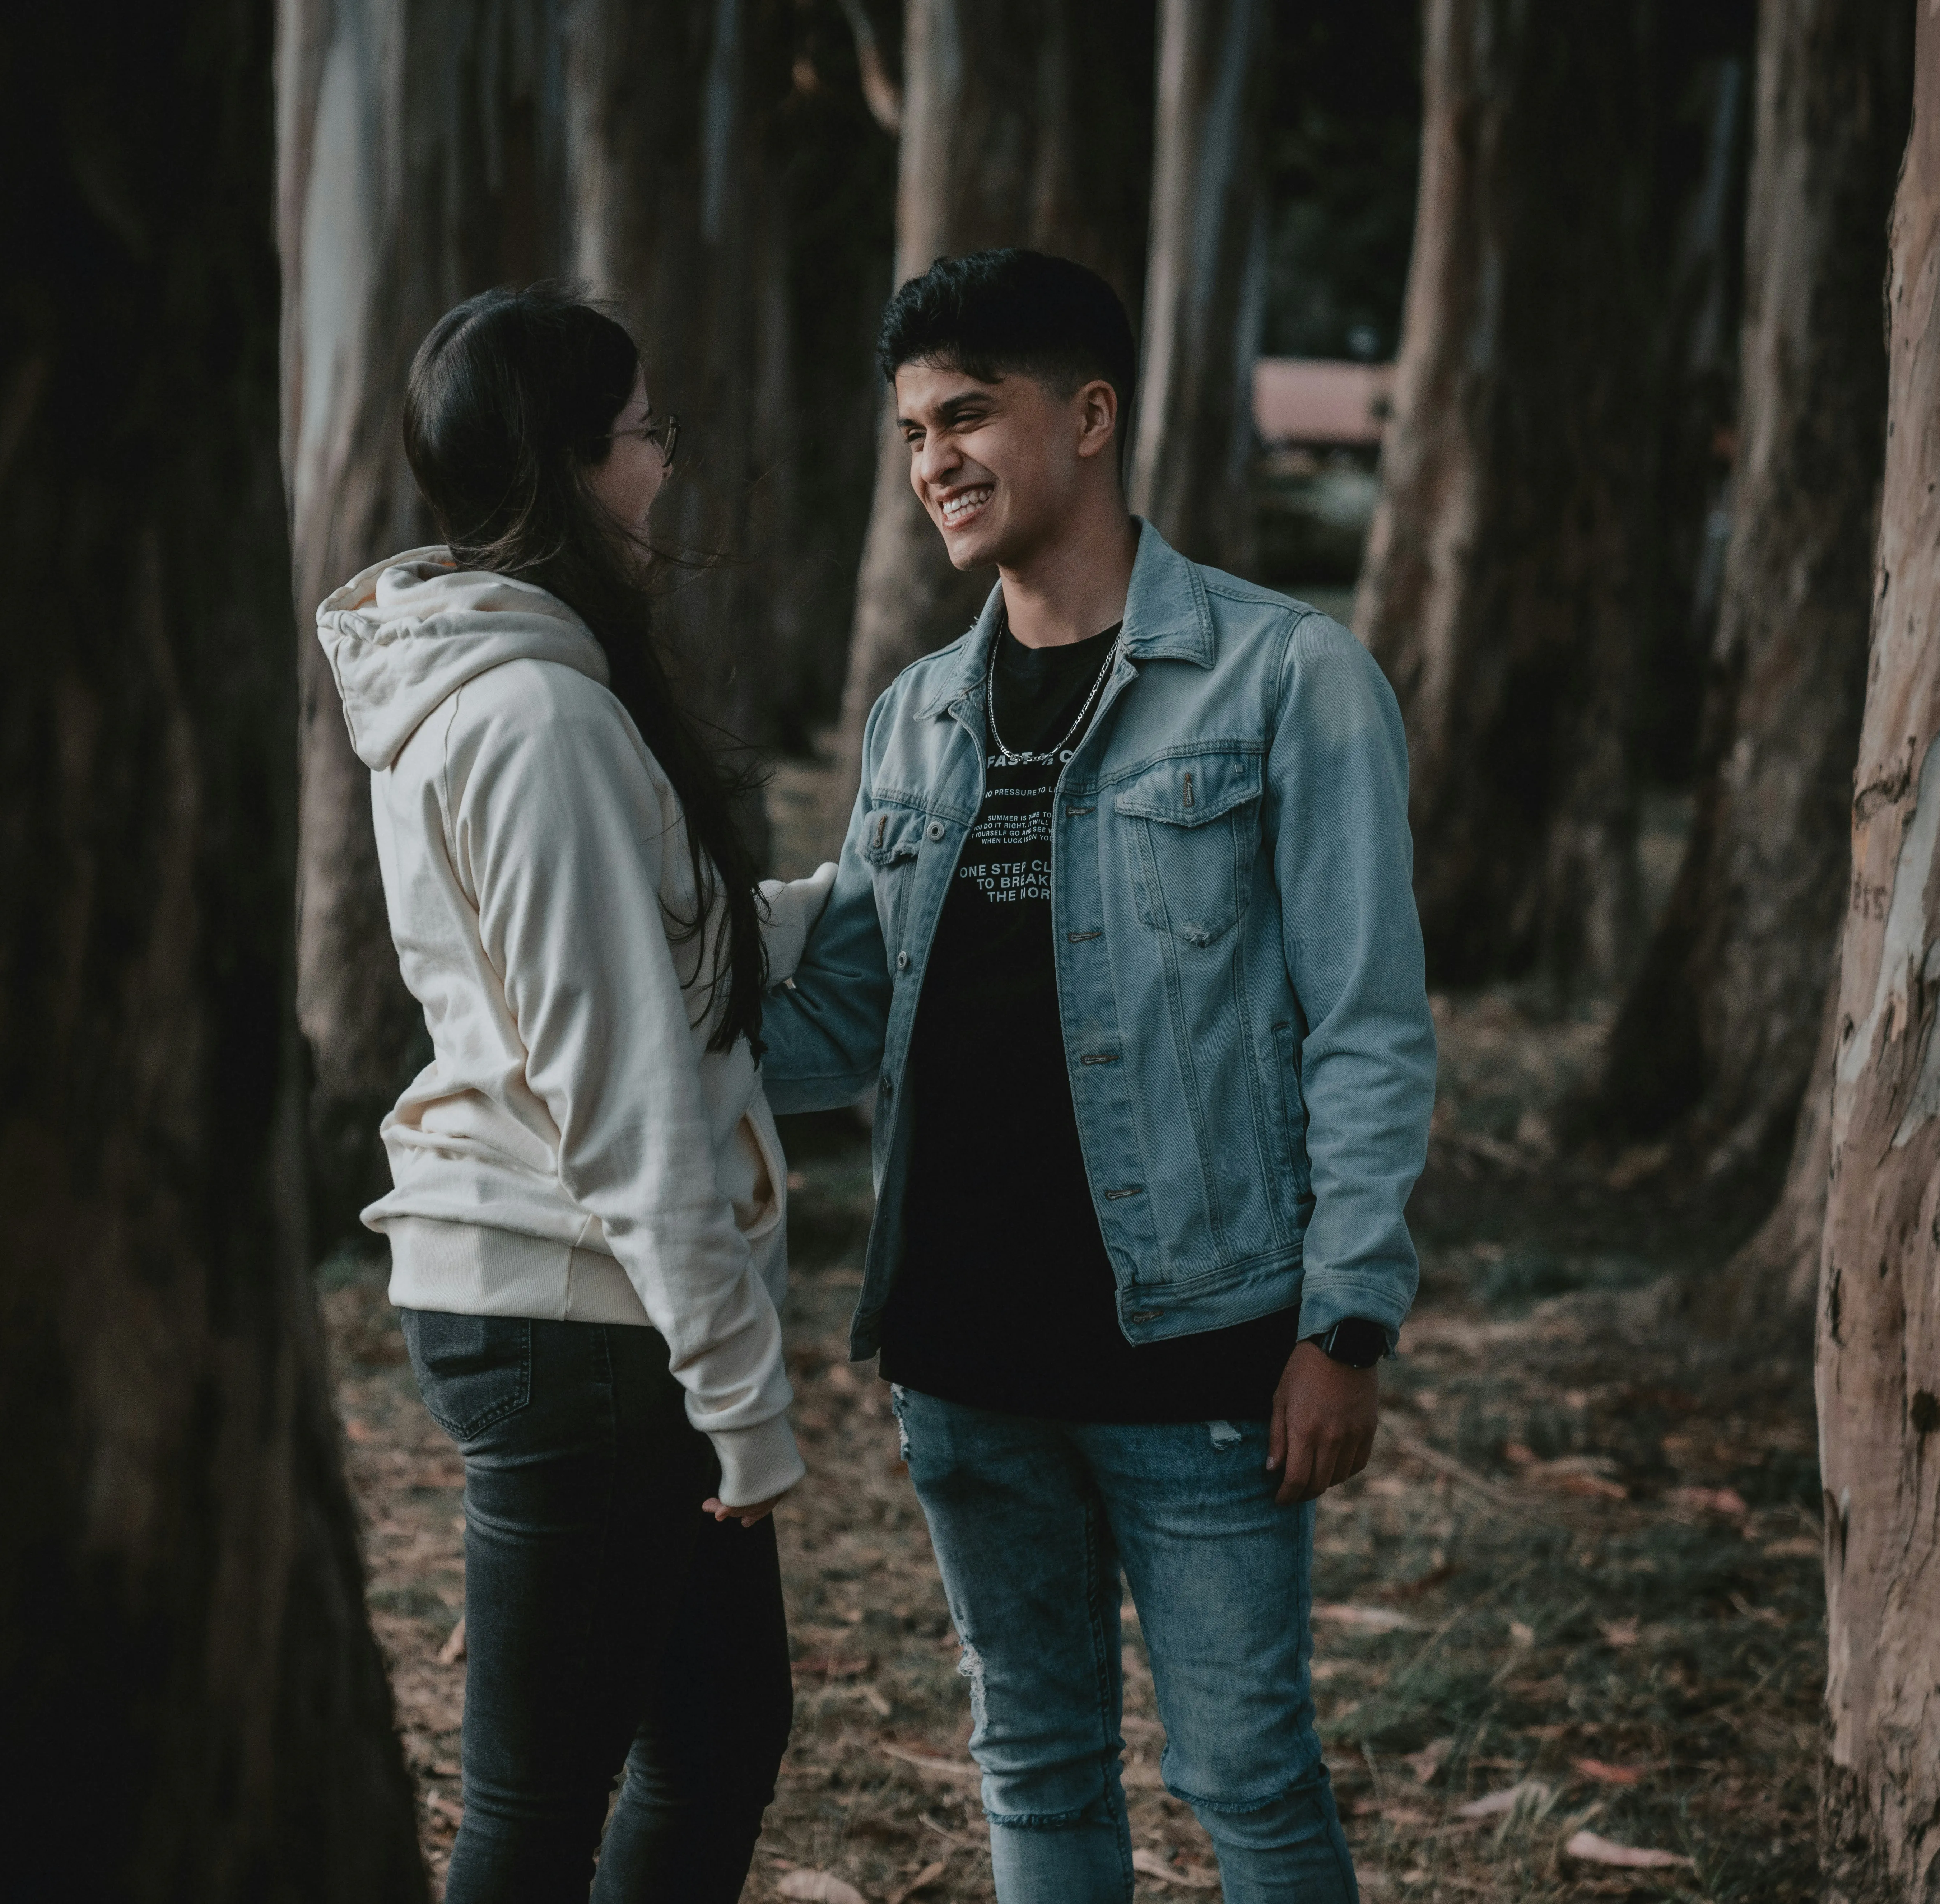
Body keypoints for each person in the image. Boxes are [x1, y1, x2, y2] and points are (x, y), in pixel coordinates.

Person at [764, 248, 1436, 1903]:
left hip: (1194, 1356)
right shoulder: (915, 716)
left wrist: (1342, 1324)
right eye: (914, 428)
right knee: (1037, 1765)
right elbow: (844, 1023)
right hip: (957, 1357)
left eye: (968, 415)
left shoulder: (1288, 681)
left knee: (1247, 1778)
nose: (931, 460)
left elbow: (1367, 1024)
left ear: (1090, 415)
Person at [316, 284, 802, 1903]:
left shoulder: (512, 683)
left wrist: (861, 891)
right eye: (647, 434)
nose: (663, 467)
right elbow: (614, 1080)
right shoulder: (533, 713)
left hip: (582, 1309)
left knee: (720, 1736)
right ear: (575, 459)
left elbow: (638, 949)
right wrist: (738, 1382)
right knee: (533, 1812)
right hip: (578, 1320)